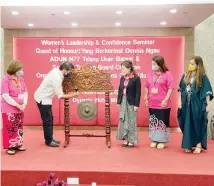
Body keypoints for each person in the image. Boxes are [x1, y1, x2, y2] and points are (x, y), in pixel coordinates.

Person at [34, 62, 79, 147]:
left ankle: (50, 137)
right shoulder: (57, 78)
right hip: (43, 99)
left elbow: (66, 77)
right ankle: (48, 141)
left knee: (50, 119)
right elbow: (61, 96)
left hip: (46, 98)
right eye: (69, 71)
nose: (70, 73)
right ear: (64, 70)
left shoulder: (57, 71)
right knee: (47, 121)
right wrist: (74, 95)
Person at [177, 56, 213, 153]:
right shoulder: (185, 75)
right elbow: (180, 90)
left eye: (193, 64)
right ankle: (188, 144)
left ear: (198, 65)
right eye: (190, 63)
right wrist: (179, 101)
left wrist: (208, 104)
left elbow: (207, 92)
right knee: (187, 123)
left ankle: (198, 144)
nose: (190, 65)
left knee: (198, 123)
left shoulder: (203, 77)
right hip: (186, 105)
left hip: (198, 105)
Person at [144, 56, 174, 149]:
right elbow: (146, 86)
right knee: (153, 121)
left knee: (162, 122)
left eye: (154, 64)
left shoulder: (167, 74)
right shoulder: (150, 74)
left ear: (160, 64)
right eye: (152, 63)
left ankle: (162, 140)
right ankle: (154, 139)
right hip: (152, 103)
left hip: (163, 104)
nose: (152, 66)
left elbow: (171, 88)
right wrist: (145, 97)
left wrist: (166, 99)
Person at [1, 60, 28, 155]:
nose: (21, 71)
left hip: (20, 108)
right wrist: (17, 105)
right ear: (14, 69)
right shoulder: (5, 80)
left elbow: (25, 92)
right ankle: (10, 146)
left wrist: (24, 103)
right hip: (9, 107)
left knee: (18, 126)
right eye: (20, 69)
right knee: (10, 127)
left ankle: (18, 144)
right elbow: (5, 95)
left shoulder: (20, 79)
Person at [116, 60, 141, 148]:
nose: (121, 70)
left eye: (123, 69)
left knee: (131, 121)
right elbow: (120, 90)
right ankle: (126, 139)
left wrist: (136, 105)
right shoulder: (122, 78)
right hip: (123, 101)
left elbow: (138, 93)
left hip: (131, 102)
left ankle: (131, 140)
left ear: (129, 68)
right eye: (121, 69)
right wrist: (118, 102)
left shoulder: (136, 78)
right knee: (124, 120)